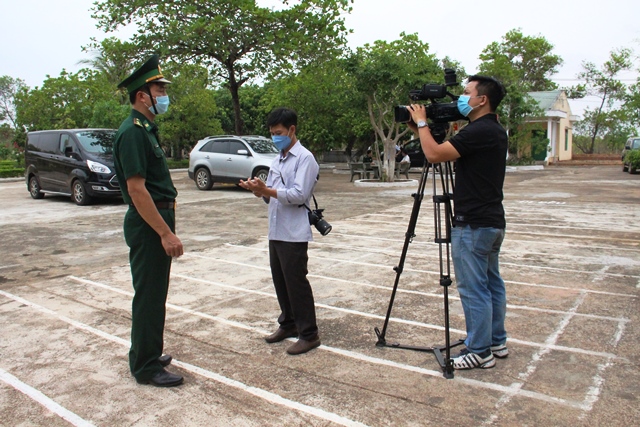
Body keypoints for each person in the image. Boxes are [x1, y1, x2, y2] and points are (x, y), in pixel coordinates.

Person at [407, 75, 508, 370]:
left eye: (466, 93)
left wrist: (423, 124)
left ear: (482, 100)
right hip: (491, 221)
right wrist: (420, 128)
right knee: (491, 284)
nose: (460, 99)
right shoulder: (493, 130)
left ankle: (479, 351)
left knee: (474, 288)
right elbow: (442, 149)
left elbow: (435, 154)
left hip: (473, 224)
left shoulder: (478, 130)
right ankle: (496, 341)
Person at [113, 55, 184, 387]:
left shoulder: (146, 130)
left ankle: (149, 353)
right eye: (159, 88)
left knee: (155, 294)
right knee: (149, 296)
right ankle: (145, 366)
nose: (163, 94)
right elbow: (137, 189)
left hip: (154, 219)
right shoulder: (133, 133)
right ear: (143, 95)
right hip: (148, 224)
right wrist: (165, 233)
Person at [239, 108, 321, 355]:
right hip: (276, 230)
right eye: (272, 133)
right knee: (280, 281)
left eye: (279, 133)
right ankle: (288, 323)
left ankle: (309, 333)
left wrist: (268, 191)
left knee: (296, 283)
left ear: (292, 130)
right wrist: (258, 190)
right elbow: (271, 195)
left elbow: (298, 195)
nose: (275, 138)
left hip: (293, 233)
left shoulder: (305, 159)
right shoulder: (278, 159)